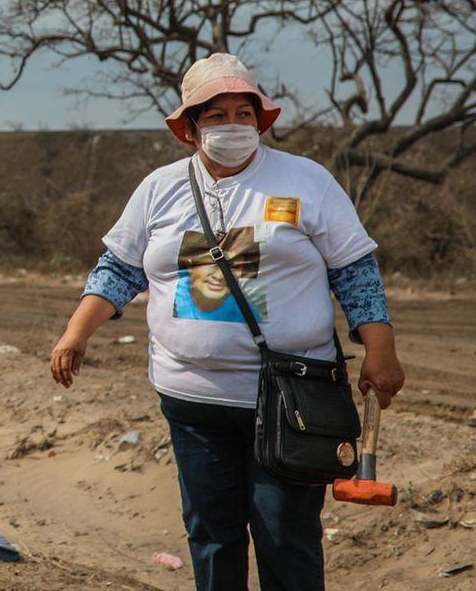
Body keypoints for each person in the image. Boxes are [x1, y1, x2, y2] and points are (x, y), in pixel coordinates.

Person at [48, 53, 404, 591]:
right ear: (190, 129)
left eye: (244, 113)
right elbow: (119, 269)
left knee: (284, 535)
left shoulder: (306, 180)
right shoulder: (159, 188)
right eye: (215, 116)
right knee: (211, 534)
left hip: (290, 400)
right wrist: (77, 331)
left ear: (261, 121)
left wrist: (381, 349)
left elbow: (354, 271)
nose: (232, 126)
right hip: (192, 401)